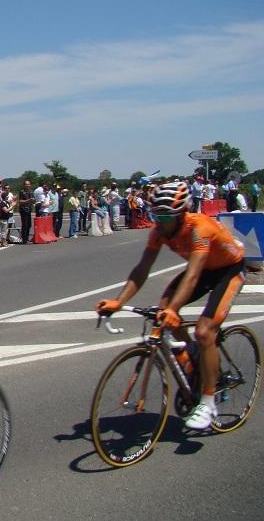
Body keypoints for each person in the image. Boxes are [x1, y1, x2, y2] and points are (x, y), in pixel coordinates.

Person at [96, 182, 245, 430]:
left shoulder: (199, 228)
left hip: (228, 270)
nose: (160, 222)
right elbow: (143, 268)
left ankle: (208, 402)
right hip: (204, 271)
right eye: (156, 216)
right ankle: (193, 358)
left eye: (165, 217)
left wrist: (174, 310)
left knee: (204, 332)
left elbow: (193, 275)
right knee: (162, 309)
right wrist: (119, 302)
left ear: (182, 214)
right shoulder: (159, 232)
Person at [18, 180, 35, 244]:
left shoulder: (31, 192)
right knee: (24, 225)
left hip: (29, 209)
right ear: (24, 185)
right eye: (26, 184)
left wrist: (33, 200)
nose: (28, 185)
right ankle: (24, 239)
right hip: (23, 210)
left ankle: (27, 238)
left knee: (29, 225)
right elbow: (20, 201)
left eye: (28, 184)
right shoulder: (22, 192)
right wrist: (28, 200)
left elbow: (33, 200)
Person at [0, 183, 14, 247]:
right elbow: (6, 210)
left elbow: (10, 207)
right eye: (6, 196)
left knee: (5, 230)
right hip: (3, 219)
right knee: (3, 231)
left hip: (6, 218)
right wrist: (11, 206)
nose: (7, 197)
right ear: (5, 197)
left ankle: (4, 241)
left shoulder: (6, 202)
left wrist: (12, 205)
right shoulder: (2, 203)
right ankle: (3, 242)